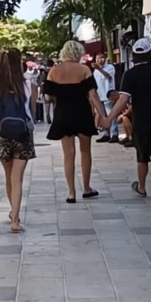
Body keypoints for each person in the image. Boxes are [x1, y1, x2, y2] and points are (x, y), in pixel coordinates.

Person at [103, 38, 151, 203]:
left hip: (140, 120)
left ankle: (142, 187)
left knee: (142, 156)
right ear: (150, 53)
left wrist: (109, 118)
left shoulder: (130, 74)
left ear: (134, 55)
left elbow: (122, 100)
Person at [44, 40, 107, 202]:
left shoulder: (54, 71)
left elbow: (48, 96)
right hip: (82, 113)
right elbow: (93, 95)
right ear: (78, 53)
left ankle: (71, 193)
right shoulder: (84, 70)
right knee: (85, 151)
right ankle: (86, 188)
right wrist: (104, 116)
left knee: (68, 154)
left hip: (63, 114)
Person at [0, 49, 36, 233]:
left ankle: (12, 210)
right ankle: (15, 220)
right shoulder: (27, 83)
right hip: (23, 134)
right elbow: (32, 111)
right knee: (18, 178)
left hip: (3, 133)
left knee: (9, 177)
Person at [93, 53, 118, 143]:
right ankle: (106, 133)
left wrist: (99, 69)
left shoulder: (110, 67)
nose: (100, 60)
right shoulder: (95, 71)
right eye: (98, 59)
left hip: (108, 95)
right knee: (103, 116)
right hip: (100, 96)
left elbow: (108, 76)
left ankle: (114, 134)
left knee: (111, 115)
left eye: (102, 58)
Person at [38, 59, 54, 123]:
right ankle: (54, 116)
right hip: (54, 88)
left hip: (46, 88)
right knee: (54, 103)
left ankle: (47, 115)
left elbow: (42, 81)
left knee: (47, 103)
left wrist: (41, 92)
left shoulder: (44, 71)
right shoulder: (55, 70)